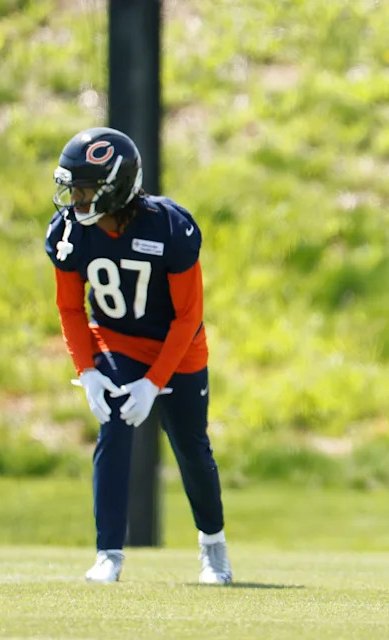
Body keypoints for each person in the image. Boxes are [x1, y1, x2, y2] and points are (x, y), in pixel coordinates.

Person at [44, 127, 232, 585]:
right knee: (114, 424)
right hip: (116, 340)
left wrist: (154, 381)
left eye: (86, 189)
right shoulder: (71, 232)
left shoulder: (169, 226)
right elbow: (70, 306)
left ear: (116, 189)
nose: (77, 199)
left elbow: (188, 316)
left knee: (190, 446)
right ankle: (108, 552)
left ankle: (214, 550)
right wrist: (86, 370)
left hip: (177, 346)